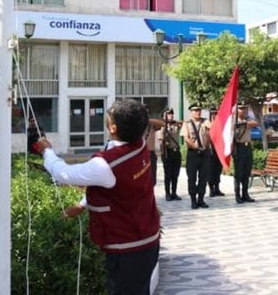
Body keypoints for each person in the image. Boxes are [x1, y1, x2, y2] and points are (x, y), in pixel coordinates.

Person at [33, 99, 160, 295]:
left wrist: (47, 151)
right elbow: (117, 190)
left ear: (113, 127)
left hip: (128, 250)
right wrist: (84, 204)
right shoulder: (139, 145)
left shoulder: (107, 165)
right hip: (147, 242)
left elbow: (63, 174)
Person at [182, 103, 212, 209]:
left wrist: (209, 126)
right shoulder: (187, 124)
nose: (198, 112)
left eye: (199, 110)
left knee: (203, 178)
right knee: (192, 178)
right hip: (193, 154)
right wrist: (195, 146)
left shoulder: (205, 121)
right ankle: (193, 200)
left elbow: (213, 129)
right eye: (195, 110)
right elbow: (186, 138)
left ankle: (201, 199)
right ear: (191, 112)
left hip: (205, 153)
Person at [232, 103, 259, 204]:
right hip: (239, 148)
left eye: (245, 109)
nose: (244, 110)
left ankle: (245, 194)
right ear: (237, 110)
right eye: (241, 109)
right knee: (238, 173)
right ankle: (237, 195)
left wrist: (246, 123)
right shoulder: (233, 121)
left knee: (247, 172)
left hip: (248, 147)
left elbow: (256, 123)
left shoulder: (247, 120)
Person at [160, 108, 182, 201]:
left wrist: (174, 122)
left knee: (175, 174)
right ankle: (167, 193)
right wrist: (163, 155)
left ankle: (174, 192)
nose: (171, 115)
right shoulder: (162, 127)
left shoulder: (176, 125)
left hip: (176, 151)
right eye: (168, 114)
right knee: (168, 174)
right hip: (167, 152)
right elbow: (161, 142)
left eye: (172, 114)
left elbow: (184, 123)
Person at [207, 107, 225, 197]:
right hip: (210, 150)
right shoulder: (207, 124)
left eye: (216, 114)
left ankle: (217, 188)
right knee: (211, 170)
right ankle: (211, 189)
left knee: (218, 170)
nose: (215, 115)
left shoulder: (220, 124)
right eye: (213, 114)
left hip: (218, 150)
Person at [145, 116, 164, 188]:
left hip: (151, 153)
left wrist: (148, 119)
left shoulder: (151, 124)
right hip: (141, 154)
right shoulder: (138, 124)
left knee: (152, 180)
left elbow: (162, 124)